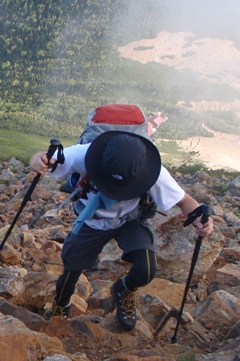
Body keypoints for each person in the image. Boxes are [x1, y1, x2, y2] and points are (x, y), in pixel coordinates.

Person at [29, 130, 214, 331]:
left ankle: (123, 289)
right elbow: (44, 159)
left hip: (130, 219)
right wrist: (38, 160)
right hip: (94, 221)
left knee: (147, 270)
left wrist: (199, 219)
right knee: (72, 267)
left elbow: (185, 201)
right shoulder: (84, 154)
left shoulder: (154, 172)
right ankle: (61, 304)